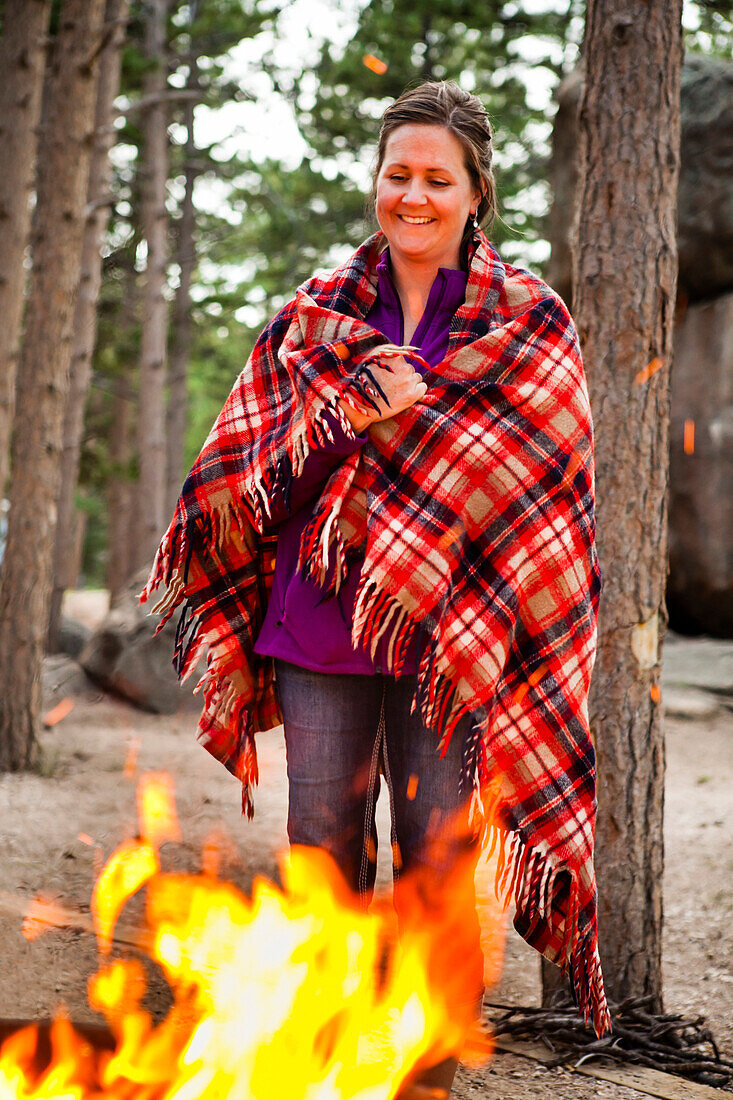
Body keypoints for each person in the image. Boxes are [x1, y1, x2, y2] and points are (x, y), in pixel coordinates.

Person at [143, 80, 610, 1093]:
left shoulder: (530, 322)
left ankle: (425, 1071)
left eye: (436, 178)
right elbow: (255, 481)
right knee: (322, 852)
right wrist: (353, 415)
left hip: (452, 641)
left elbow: (541, 494)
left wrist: (421, 428)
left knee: (438, 860)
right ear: (376, 182)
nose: (412, 194)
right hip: (319, 631)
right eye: (396, 173)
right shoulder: (315, 315)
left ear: (474, 191)